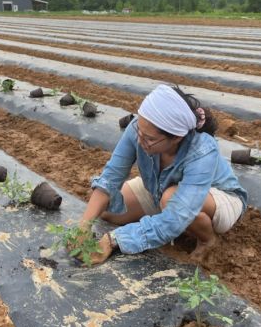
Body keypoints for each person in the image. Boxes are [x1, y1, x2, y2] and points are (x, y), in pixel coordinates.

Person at [79, 84, 248, 265]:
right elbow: (110, 178)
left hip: (217, 198)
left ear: (176, 137)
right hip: (161, 190)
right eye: (139, 132)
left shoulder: (202, 150)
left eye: (150, 139)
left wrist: (114, 240)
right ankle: (165, 224)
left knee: (170, 200)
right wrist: (83, 226)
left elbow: (177, 215)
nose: (140, 140)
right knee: (108, 209)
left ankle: (207, 239)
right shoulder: (140, 129)